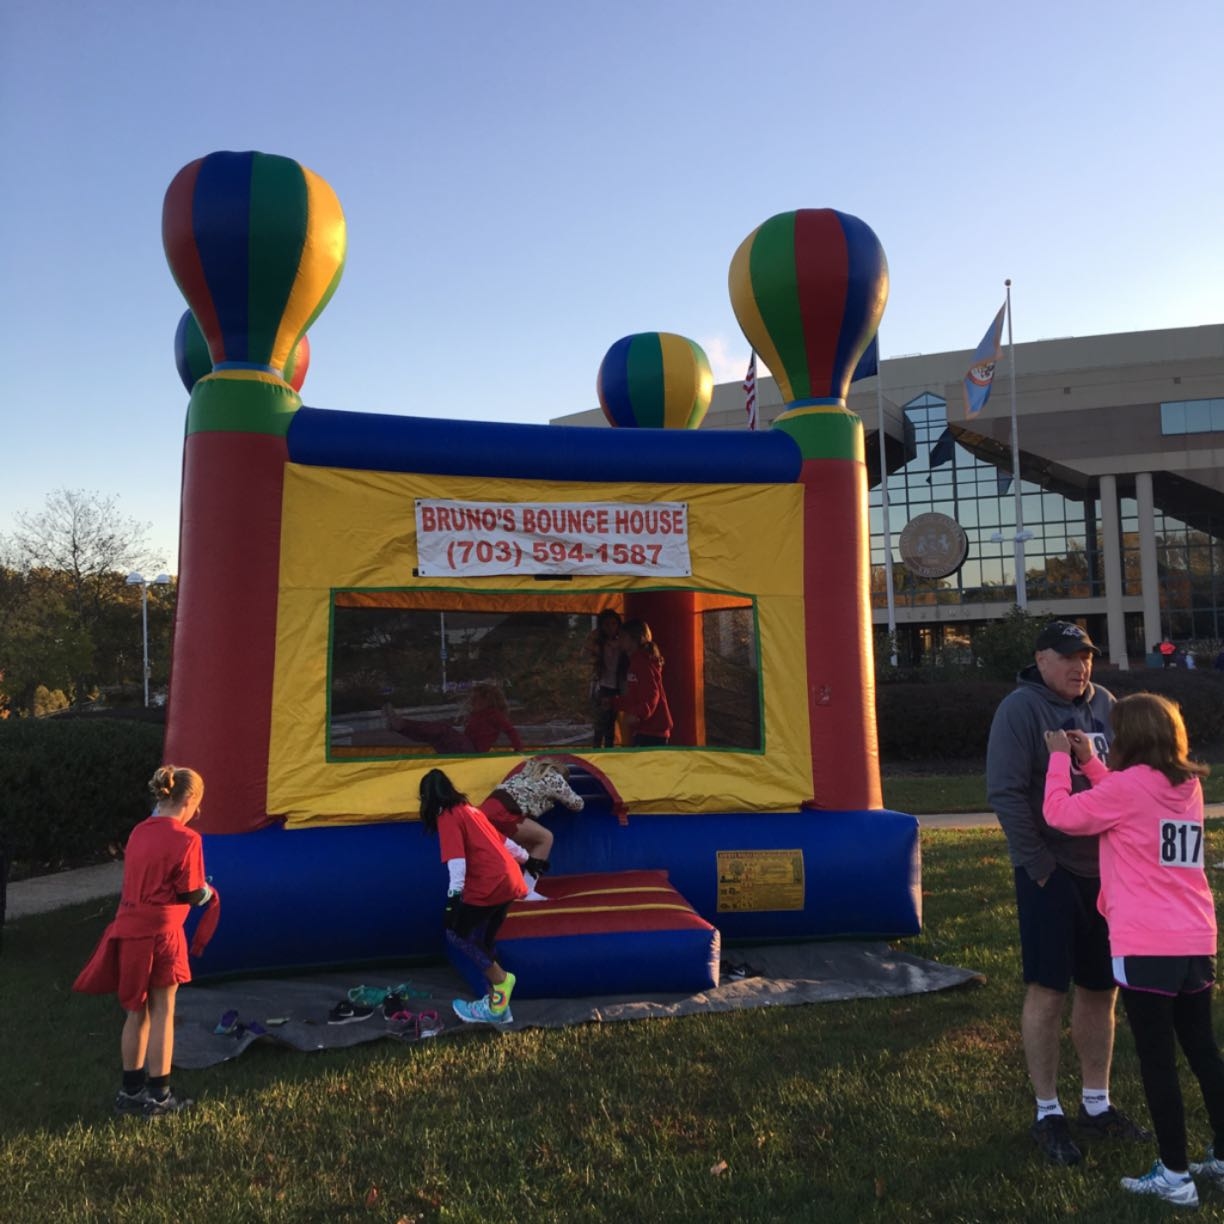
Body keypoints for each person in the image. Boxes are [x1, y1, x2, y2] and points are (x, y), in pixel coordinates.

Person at [1043, 694, 1224, 1207]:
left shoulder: (1127, 789)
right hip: (1194, 937)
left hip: (1146, 943)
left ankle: (1174, 1174)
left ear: (1132, 738)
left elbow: (1061, 813)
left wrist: (1060, 757)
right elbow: (1126, 799)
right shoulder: (1185, 784)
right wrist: (1091, 764)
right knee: (1203, 1050)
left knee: (1157, 1061)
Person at [986, 619, 1149, 1164]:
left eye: (1087, 656)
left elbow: (1125, 778)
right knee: (1048, 989)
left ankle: (1096, 1104)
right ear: (1041, 659)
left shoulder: (1105, 702)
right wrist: (1038, 866)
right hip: (1050, 873)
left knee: (1101, 989)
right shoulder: (1021, 710)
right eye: (1069, 656)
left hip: (1107, 873)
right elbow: (1005, 792)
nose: (1081, 666)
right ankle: (1047, 1111)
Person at [72, 765, 218, 1116]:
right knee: (164, 1012)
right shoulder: (188, 840)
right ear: (192, 801)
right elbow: (188, 892)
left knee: (135, 1012)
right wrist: (208, 893)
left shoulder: (138, 832)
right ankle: (160, 1096)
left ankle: (130, 1092)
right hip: (162, 935)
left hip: (129, 929)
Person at [418, 767, 527, 1026]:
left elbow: (457, 865)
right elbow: (506, 843)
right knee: (484, 943)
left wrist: (451, 905)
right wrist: (527, 858)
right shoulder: (472, 811)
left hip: (488, 885)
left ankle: (502, 983)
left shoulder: (448, 816)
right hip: (509, 880)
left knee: (458, 934)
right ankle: (498, 1008)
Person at [482, 757, 585, 899]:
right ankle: (526, 891)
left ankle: (511, 885)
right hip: (505, 813)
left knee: (528, 845)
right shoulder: (555, 779)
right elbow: (577, 804)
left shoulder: (527, 771)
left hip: (489, 809)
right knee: (545, 838)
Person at [385, 682, 523, 754]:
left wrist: (518, 750)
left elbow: (510, 730)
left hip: (473, 751)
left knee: (443, 729)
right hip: (465, 746)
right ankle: (400, 727)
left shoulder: (494, 714)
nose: (471, 702)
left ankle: (402, 724)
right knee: (433, 735)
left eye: (475, 699)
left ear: (487, 700)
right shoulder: (476, 715)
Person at [612, 619, 673, 747]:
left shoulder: (642, 663)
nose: (619, 640)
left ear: (635, 639)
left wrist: (639, 714)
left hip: (653, 731)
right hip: (645, 729)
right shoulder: (635, 663)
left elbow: (652, 694)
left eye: (623, 636)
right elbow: (635, 697)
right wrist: (614, 702)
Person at [586, 608, 628, 748]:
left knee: (611, 724)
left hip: (616, 687)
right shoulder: (598, 644)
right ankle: (596, 750)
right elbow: (585, 653)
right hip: (603, 687)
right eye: (607, 625)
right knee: (600, 724)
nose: (610, 628)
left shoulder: (622, 644)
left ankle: (609, 750)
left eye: (613, 624)